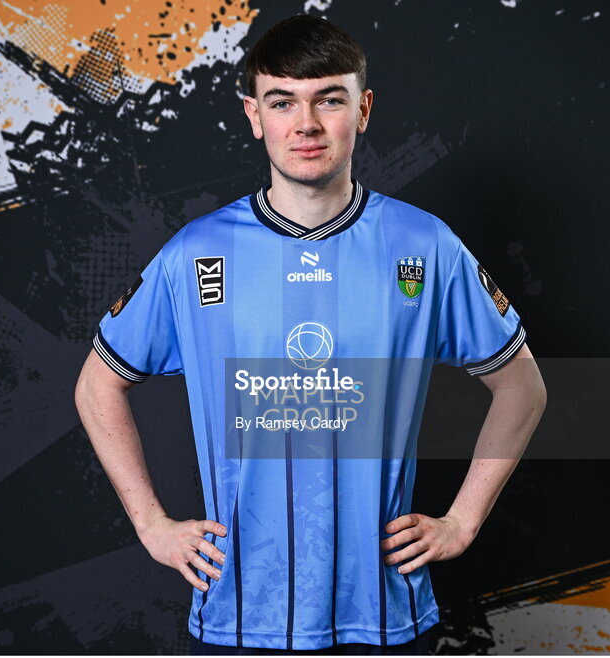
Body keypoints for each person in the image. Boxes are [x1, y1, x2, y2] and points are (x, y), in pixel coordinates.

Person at [74, 14, 547, 655]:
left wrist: (461, 521)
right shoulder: (197, 253)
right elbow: (97, 386)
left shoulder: (423, 245)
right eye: (282, 102)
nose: (307, 124)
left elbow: (523, 390)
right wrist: (151, 524)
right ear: (253, 114)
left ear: (364, 108)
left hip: (381, 609)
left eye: (329, 99)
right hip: (240, 609)